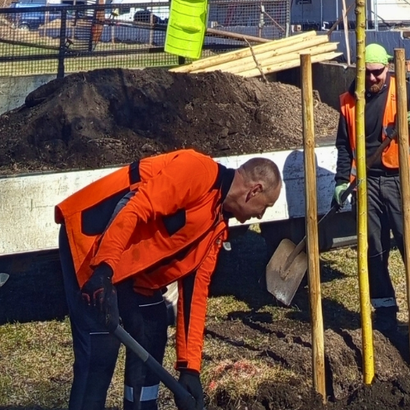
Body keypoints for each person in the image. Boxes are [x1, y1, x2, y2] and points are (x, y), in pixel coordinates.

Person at [55, 149, 282, 410]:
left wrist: (190, 368)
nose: (261, 215)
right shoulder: (197, 171)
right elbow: (133, 208)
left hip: (129, 268)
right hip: (91, 243)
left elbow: (195, 293)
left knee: (152, 326)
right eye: (265, 206)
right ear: (254, 190)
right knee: (100, 353)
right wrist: (103, 271)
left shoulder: (216, 228)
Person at [333, 43, 410, 359]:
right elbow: (344, 146)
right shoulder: (348, 101)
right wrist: (342, 181)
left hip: (400, 180)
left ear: (387, 67)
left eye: (378, 72)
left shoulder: (402, 89)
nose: (373, 79)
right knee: (373, 250)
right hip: (367, 184)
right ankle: (384, 314)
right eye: (367, 74)